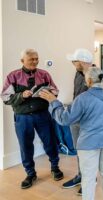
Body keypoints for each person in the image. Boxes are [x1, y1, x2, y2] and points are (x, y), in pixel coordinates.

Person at [40, 67, 103, 200]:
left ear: (89, 81)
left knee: (88, 177)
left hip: (89, 143)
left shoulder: (83, 98)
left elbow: (64, 119)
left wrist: (53, 101)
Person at [1, 49, 64, 189]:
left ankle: (55, 167)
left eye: (36, 59)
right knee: (25, 146)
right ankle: (30, 174)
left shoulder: (44, 74)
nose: (35, 61)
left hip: (42, 115)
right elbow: (5, 97)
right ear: (22, 61)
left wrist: (47, 92)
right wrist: (21, 95)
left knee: (50, 142)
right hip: (22, 118)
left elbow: (55, 90)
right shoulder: (13, 76)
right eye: (31, 59)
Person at [62, 48, 93, 195]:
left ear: (81, 62)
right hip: (76, 118)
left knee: (88, 152)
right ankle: (82, 175)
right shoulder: (77, 74)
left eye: (75, 61)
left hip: (88, 121)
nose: (73, 63)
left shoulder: (96, 75)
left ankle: (89, 178)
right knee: (79, 150)